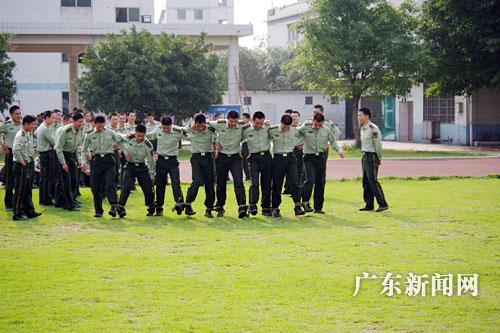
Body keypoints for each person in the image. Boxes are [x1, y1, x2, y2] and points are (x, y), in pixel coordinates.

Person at [80, 116, 126, 218]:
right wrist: (84, 163)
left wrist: (120, 148)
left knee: (110, 183)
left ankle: (114, 206)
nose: (101, 128)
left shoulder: (110, 132)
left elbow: (121, 139)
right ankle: (98, 211)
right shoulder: (89, 135)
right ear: (94, 124)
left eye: (102, 126)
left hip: (109, 160)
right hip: (96, 161)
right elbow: (83, 150)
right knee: (95, 186)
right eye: (99, 126)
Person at [298, 113, 344, 214]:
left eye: (320, 125)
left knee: (320, 182)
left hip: (320, 157)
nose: (317, 127)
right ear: (312, 121)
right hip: (308, 157)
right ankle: (305, 202)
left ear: (323, 123)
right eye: (316, 125)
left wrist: (339, 150)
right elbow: (295, 132)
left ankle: (318, 207)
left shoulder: (326, 129)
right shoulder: (306, 127)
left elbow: (333, 141)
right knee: (310, 179)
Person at [209, 110, 250, 218]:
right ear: (228, 119)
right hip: (222, 157)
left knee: (238, 182)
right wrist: (215, 140)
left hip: (235, 158)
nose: (233, 124)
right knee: (221, 183)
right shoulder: (220, 123)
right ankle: (220, 207)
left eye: (235, 121)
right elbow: (207, 123)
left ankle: (242, 207)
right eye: (231, 121)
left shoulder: (242, 125)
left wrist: (267, 122)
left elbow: (254, 125)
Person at [146, 116, 186, 216]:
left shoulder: (177, 130)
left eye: (168, 128)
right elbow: (150, 136)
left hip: (173, 160)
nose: (166, 130)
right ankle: (159, 207)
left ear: (171, 125)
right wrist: (135, 134)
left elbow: (189, 134)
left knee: (175, 182)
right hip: (161, 160)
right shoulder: (158, 130)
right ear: (162, 126)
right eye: (164, 128)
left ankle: (180, 203)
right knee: (160, 184)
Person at [269, 114, 305, 217]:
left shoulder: (294, 129)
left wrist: (304, 143)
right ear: (280, 122)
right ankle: (275, 207)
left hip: (290, 157)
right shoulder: (272, 129)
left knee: (295, 182)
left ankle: (297, 206)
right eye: (284, 127)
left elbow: (308, 133)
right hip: (278, 158)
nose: (286, 129)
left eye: (288, 127)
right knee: (277, 184)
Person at [183, 114, 217, 218]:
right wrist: (190, 125)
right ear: (195, 123)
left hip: (208, 157)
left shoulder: (211, 128)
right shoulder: (191, 128)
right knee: (196, 181)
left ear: (205, 123)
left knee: (209, 183)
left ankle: (209, 208)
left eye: (202, 126)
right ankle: (188, 204)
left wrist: (216, 144)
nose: (200, 128)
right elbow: (180, 130)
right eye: (198, 126)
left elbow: (221, 128)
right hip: (196, 157)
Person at [118, 125, 156, 217]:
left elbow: (151, 161)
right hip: (130, 166)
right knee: (126, 187)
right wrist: (124, 151)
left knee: (147, 188)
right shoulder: (128, 138)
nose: (140, 138)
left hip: (142, 167)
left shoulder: (148, 145)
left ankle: (151, 207)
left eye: (142, 136)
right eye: (138, 136)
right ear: (135, 133)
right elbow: (118, 138)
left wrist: (152, 174)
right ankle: (120, 207)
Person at [358, 108, 389, 212]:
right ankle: (369, 204)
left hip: (371, 156)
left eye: (360, 115)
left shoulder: (373, 128)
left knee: (373, 180)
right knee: (365, 181)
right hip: (365, 155)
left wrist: (379, 158)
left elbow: (378, 145)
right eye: (358, 116)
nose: (359, 118)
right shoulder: (363, 128)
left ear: (367, 116)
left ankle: (382, 203)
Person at [11, 115, 42, 220]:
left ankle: (29, 211)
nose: (35, 126)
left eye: (35, 124)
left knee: (28, 189)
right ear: (26, 124)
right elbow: (15, 150)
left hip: (28, 163)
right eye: (33, 124)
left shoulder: (29, 133)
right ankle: (17, 213)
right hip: (21, 165)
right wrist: (21, 161)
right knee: (20, 190)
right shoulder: (21, 135)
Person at [242, 111, 273, 216]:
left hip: (266, 157)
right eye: (257, 123)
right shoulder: (246, 130)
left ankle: (265, 207)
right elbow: (237, 137)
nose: (259, 126)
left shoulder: (267, 128)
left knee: (267, 184)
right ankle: (252, 205)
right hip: (253, 158)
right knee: (254, 183)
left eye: (261, 123)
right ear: (252, 120)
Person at [54, 112, 84, 211]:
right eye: (79, 122)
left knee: (74, 179)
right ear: (74, 121)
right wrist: (63, 163)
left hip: (71, 155)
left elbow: (76, 147)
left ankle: (61, 201)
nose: (81, 124)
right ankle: (68, 204)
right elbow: (58, 148)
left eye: (82, 122)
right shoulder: (66, 131)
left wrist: (78, 160)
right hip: (62, 154)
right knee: (65, 180)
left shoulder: (80, 131)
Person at [0, 105, 23, 210]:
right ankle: (8, 204)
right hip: (10, 153)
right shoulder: (6, 125)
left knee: (20, 179)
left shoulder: (22, 125)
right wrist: (2, 143)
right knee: (10, 179)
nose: (19, 116)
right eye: (16, 114)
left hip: (21, 154)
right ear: (11, 114)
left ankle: (17, 202)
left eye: (19, 113)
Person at [34, 110, 58, 206]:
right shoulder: (45, 128)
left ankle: (43, 199)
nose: (54, 120)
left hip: (43, 153)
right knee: (47, 177)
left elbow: (35, 133)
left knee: (44, 177)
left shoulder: (41, 127)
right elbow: (54, 141)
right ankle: (46, 199)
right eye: (52, 118)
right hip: (46, 153)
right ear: (46, 118)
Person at [240, 112, 251, 181]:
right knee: (243, 161)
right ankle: (247, 176)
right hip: (243, 144)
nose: (242, 119)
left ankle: (249, 176)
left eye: (243, 118)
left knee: (247, 161)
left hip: (248, 144)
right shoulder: (242, 126)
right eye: (242, 118)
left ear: (248, 119)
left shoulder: (249, 126)